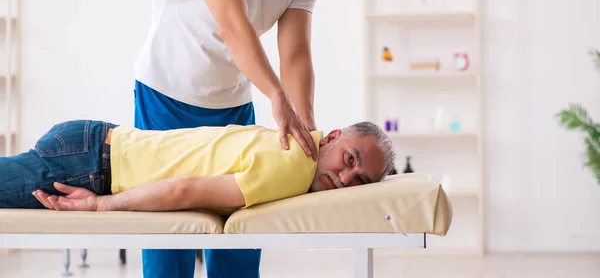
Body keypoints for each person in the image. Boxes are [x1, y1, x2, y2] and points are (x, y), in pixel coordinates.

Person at [131, 0, 349, 278]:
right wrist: (276, 96)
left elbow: (296, 55)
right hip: (165, 96)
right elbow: (232, 25)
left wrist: (308, 127)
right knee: (169, 234)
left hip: (231, 106)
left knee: (242, 228)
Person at [0, 119, 395, 212]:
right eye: (349, 159)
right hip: (89, 165)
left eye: (357, 180)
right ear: (332, 137)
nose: (343, 178)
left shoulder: (294, 137)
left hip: (91, 145)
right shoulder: (294, 166)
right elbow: (182, 190)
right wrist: (99, 205)